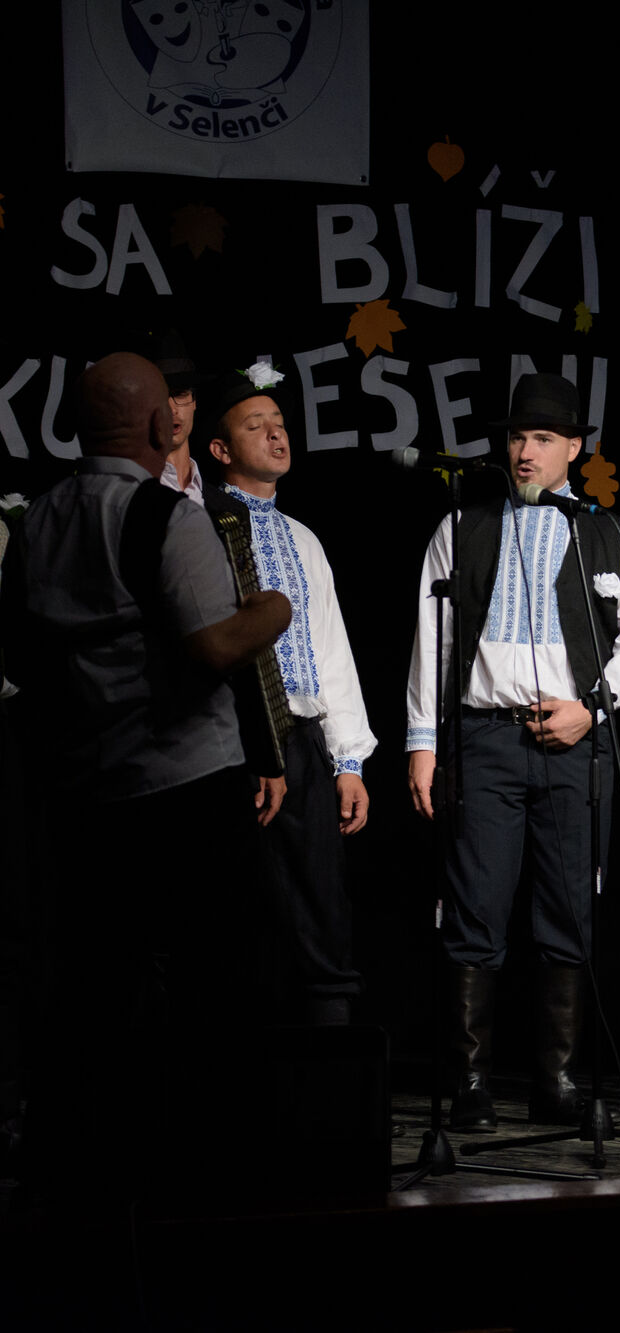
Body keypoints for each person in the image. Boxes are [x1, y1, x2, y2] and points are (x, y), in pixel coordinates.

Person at [5, 352, 290, 1193]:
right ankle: (214, 1175)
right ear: (164, 425)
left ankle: (91, 1175)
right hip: (187, 790)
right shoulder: (165, 515)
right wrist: (272, 609)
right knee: (220, 988)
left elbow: (20, 654)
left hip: (88, 795)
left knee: (98, 990)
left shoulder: (39, 521)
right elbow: (212, 645)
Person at [405, 373, 620, 1130]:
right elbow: (433, 641)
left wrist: (592, 708)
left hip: (575, 742)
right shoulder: (464, 524)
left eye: (543, 438)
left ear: (574, 448)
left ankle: (556, 1079)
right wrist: (422, 741)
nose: (525, 451)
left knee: (568, 908)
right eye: (518, 437)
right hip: (485, 735)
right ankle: (470, 1082)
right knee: (475, 905)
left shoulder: (607, 531)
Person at [204, 360, 376, 1025]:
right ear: (221, 449)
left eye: (279, 423)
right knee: (243, 901)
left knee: (321, 897)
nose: (276, 435)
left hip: (303, 740)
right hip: (231, 740)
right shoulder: (201, 526)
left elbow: (332, 650)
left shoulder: (302, 537)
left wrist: (348, 760)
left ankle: (328, 1044)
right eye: (256, 426)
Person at [141, 328, 206, 505]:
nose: (171, 410)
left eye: (179, 394)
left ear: (194, 401)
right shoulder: (129, 497)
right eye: (159, 396)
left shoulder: (226, 505)